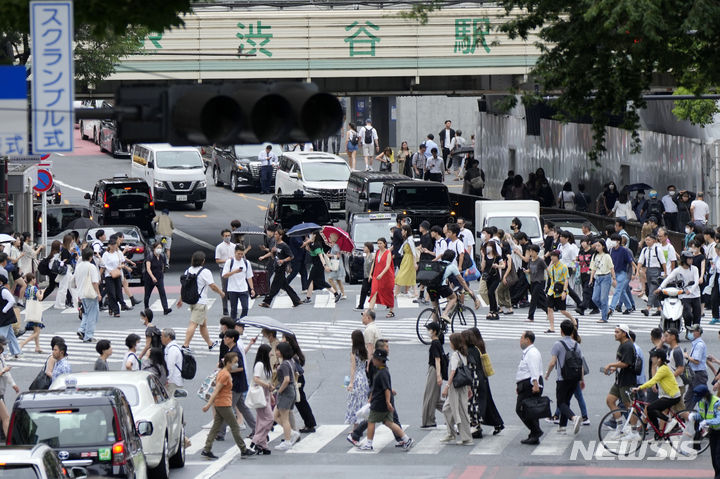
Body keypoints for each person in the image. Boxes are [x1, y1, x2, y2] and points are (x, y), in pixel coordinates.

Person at [201, 352, 255, 459]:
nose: (237, 364)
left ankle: (207, 449)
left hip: (221, 403)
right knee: (235, 426)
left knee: (216, 427)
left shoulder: (223, 372)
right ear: (228, 362)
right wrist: (208, 404)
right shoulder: (225, 374)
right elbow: (216, 390)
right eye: (235, 362)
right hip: (223, 404)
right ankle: (243, 449)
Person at [360, 348, 414, 451]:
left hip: (380, 403)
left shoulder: (382, 373)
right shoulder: (382, 370)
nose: (373, 361)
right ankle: (406, 439)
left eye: (375, 359)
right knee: (389, 423)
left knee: (371, 421)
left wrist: (388, 402)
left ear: (380, 360)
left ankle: (368, 444)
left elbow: (386, 389)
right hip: (382, 402)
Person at [629, 349, 681, 440]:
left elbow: (654, 380)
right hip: (666, 395)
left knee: (650, 408)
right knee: (650, 411)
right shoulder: (659, 367)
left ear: (659, 359)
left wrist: (639, 388)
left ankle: (671, 421)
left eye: (654, 357)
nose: (652, 358)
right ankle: (658, 434)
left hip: (672, 396)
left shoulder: (663, 369)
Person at [544, 320, 584, 435]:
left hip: (563, 378)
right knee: (566, 401)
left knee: (561, 402)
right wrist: (581, 379)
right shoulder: (577, 345)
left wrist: (547, 374)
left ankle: (573, 418)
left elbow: (552, 362)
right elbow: (580, 363)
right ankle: (562, 427)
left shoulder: (558, 344)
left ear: (561, 331)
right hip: (575, 378)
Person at [177, 251, 223, 350]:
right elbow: (213, 286)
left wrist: (180, 299)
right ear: (203, 261)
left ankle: (210, 344)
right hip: (200, 302)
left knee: (203, 324)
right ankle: (185, 345)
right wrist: (221, 293)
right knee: (193, 324)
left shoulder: (188, 270)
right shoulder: (205, 272)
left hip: (192, 301)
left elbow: (184, 287)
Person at [602, 324, 637, 436]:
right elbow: (622, 363)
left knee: (629, 406)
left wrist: (610, 364)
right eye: (615, 332)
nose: (615, 334)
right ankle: (619, 426)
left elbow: (626, 363)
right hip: (620, 379)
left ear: (624, 333)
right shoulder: (623, 345)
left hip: (627, 381)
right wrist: (614, 369)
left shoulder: (627, 346)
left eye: (617, 332)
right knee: (610, 400)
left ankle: (634, 431)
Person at [657, 251, 701, 336]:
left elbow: (696, 282)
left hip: (695, 294)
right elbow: (668, 279)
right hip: (683, 295)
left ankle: (696, 332)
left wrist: (690, 290)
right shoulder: (678, 270)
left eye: (692, 258)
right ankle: (688, 329)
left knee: (697, 314)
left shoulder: (695, 269)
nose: (691, 260)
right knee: (687, 314)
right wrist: (660, 288)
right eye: (689, 259)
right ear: (684, 260)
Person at [440, 333, 473, 445]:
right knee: (447, 408)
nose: (449, 344)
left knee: (458, 410)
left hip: (455, 386)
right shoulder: (463, 354)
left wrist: (447, 387)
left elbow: (453, 372)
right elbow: (465, 371)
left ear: (454, 343)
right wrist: (469, 388)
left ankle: (466, 438)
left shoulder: (455, 355)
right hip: (463, 385)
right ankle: (451, 433)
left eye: (450, 342)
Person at [259, 229, 303, 308]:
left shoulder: (284, 246)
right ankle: (296, 300)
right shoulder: (275, 244)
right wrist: (264, 256)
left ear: (280, 236)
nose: (275, 235)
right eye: (275, 234)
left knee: (274, 286)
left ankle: (267, 301)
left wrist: (283, 260)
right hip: (277, 267)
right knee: (285, 286)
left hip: (281, 268)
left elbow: (291, 256)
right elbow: (272, 255)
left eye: (276, 234)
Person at [284, 333, 317, 434]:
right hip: (299, 378)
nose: (282, 340)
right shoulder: (295, 351)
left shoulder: (290, 353)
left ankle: (310, 424)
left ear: (288, 340)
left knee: (301, 402)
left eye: (283, 338)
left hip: (297, 379)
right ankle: (309, 423)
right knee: (301, 402)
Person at [516, 331, 544, 444]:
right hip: (526, 384)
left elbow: (534, 370)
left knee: (521, 409)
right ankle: (533, 435)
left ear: (527, 340)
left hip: (531, 384)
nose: (520, 341)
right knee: (531, 411)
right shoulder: (528, 352)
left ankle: (536, 431)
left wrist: (535, 384)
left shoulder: (532, 353)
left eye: (521, 338)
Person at [688, 385, 720, 476]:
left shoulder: (717, 403)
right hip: (713, 432)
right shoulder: (701, 402)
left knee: (718, 456)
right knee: (714, 457)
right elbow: (701, 415)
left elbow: (719, 419)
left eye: (700, 397)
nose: (699, 399)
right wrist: (693, 416)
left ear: (705, 395)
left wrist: (706, 421)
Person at [274, 342, 301, 450]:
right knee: (275, 416)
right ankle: (292, 433)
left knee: (284, 418)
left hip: (285, 392)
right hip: (290, 391)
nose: (276, 352)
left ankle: (287, 440)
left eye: (277, 350)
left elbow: (286, 379)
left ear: (282, 352)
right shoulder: (290, 362)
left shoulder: (285, 364)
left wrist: (279, 391)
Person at [301, 231, 339, 303]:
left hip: (318, 266)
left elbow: (320, 256)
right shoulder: (313, 244)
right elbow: (312, 252)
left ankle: (336, 294)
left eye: (311, 234)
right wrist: (307, 246)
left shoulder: (317, 244)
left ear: (315, 235)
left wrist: (325, 266)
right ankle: (308, 298)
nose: (310, 236)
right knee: (313, 281)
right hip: (316, 265)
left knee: (317, 281)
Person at [249, 344, 274, 455]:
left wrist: (271, 394)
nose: (271, 354)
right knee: (269, 419)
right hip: (261, 394)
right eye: (270, 352)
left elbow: (267, 380)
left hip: (266, 394)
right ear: (265, 353)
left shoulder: (266, 365)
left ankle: (262, 445)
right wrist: (268, 387)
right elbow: (256, 379)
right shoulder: (259, 364)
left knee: (261, 420)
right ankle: (256, 440)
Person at [421, 322, 445, 428]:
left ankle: (429, 420)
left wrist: (438, 375)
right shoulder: (436, 342)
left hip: (434, 371)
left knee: (430, 397)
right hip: (434, 370)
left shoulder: (435, 343)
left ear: (434, 331)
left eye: (429, 329)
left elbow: (437, 359)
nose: (428, 332)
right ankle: (453, 412)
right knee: (434, 398)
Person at [546, 251, 576, 331]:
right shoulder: (552, 267)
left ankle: (573, 320)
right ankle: (551, 327)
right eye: (551, 256)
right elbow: (549, 274)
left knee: (563, 311)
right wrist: (550, 265)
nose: (552, 257)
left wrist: (564, 291)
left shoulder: (563, 267)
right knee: (549, 309)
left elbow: (566, 280)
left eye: (554, 256)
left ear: (558, 257)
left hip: (560, 290)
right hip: (552, 290)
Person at [222, 245, 254, 320]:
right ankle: (233, 324)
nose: (240, 256)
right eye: (238, 254)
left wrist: (252, 288)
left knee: (245, 307)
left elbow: (249, 276)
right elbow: (224, 275)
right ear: (235, 252)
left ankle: (242, 323)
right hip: (232, 289)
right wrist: (235, 271)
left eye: (242, 254)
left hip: (243, 289)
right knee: (234, 309)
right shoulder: (230, 262)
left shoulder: (246, 262)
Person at [346, 329, 370, 427]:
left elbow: (353, 368)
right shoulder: (365, 350)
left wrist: (350, 382)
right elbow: (366, 364)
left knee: (354, 402)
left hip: (356, 378)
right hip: (363, 378)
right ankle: (363, 423)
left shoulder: (353, 351)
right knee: (362, 401)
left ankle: (355, 426)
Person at [608, 233, 637, 315]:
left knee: (617, 291)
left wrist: (635, 271)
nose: (613, 242)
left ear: (618, 242)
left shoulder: (624, 250)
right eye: (612, 240)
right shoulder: (611, 250)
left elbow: (631, 261)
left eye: (614, 240)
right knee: (622, 291)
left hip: (622, 273)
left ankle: (611, 308)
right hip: (614, 273)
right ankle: (629, 307)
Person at [590, 240, 617, 323]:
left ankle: (604, 318)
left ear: (603, 247)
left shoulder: (607, 256)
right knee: (594, 298)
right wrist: (591, 278)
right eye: (596, 246)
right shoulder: (595, 256)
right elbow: (593, 268)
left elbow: (611, 268)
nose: (597, 247)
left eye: (599, 246)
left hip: (606, 277)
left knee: (603, 298)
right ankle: (607, 310)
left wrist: (614, 278)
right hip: (597, 277)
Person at [368, 237, 395, 318]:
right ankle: (370, 311)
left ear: (385, 244)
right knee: (374, 292)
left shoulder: (388, 253)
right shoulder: (377, 252)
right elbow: (374, 263)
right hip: (376, 275)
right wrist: (370, 274)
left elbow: (387, 266)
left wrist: (382, 274)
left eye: (380, 243)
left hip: (386, 276)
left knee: (388, 293)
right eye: (378, 243)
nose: (379, 245)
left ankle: (391, 311)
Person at [684, 325, 709, 409]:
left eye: (692, 331)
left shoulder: (699, 345)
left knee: (696, 398)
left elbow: (696, 361)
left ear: (698, 332)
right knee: (689, 397)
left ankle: (686, 416)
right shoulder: (696, 344)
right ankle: (684, 416)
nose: (691, 333)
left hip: (698, 375)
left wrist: (687, 356)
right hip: (696, 375)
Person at [19, 273, 44, 353]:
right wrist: (42, 292)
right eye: (34, 279)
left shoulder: (27, 288)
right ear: (32, 279)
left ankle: (37, 347)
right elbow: (40, 298)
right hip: (36, 310)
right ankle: (23, 343)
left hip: (30, 310)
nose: (35, 280)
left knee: (36, 330)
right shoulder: (34, 288)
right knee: (37, 332)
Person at [143, 240, 170, 315]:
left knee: (162, 293)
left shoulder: (162, 256)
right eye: (158, 247)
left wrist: (161, 274)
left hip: (159, 277)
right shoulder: (150, 256)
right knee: (147, 295)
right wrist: (152, 277)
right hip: (150, 278)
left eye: (160, 248)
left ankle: (165, 308)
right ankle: (146, 308)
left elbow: (163, 266)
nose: (159, 249)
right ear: (154, 248)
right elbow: (148, 268)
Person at [524, 245, 549, 322]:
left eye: (532, 251)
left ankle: (530, 317)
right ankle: (549, 311)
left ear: (537, 252)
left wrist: (551, 278)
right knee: (541, 300)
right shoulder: (531, 260)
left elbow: (547, 269)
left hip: (539, 282)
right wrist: (526, 271)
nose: (531, 253)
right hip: (532, 281)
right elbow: (530, 270)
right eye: (530, 251)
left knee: (534, 299)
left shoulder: (540, 261)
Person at [215, 230, 236, 316]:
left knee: (234, 289)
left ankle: (233, 307)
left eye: (229, 235)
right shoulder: (219, 247)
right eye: (226, 235)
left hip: (233, 269)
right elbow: (217, 260)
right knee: (225, 289)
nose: (227, 237)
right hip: (223, 269)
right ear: (222, 237)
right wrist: (227, 260)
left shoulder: (234, 246)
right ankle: (225, 308)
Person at [0, 337, 18, 437]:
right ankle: (8, 440)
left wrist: (13, 384)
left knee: (4, 416)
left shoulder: (1, 356)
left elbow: (6, 373)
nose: (4, 346)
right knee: (6, 417)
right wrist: (4, 370)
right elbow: (4, 371)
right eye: (3, 344)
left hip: (1, 391)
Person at [394, 225, 418, 298]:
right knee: (410, 275)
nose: (401, 232)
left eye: (402, 230)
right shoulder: (407, 239)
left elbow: (413, 252)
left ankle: (396, 292)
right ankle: (415, 292)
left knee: (401, 275)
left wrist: (414, 263)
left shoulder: (409, 240)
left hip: (409, 259)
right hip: (406, 259)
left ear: (406, 231)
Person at [354, 242, 374, 312]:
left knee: (377, 292)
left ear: (369, 248)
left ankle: (388, 304)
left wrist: (371, 275)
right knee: (363, 290)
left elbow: (373, 266)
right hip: (366, 276)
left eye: (365, 247)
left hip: (371, 276)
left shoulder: (372, 256)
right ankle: (360, 305)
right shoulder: (365, 256)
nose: (363, 248)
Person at [162, 328, 183, 395]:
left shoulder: (172, 349)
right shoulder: (172, 347)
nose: (161, 338)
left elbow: (170, 366)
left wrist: (167, 380)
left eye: (162, 336)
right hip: (175, 380)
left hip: (173, 382)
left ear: (168, 337)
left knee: (171, 402)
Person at [326, 233, 347, 299]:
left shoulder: (336, 246)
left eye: (330, 237)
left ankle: (336, 293)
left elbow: (338, 256)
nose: (328, 238)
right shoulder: (334, 246)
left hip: (336, 265)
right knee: (338, 280)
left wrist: (330, 255)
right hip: (336, 264)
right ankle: (343, 294)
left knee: (330, 279)